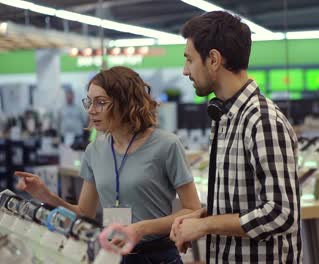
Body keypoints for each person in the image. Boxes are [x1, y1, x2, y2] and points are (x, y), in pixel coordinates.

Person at [16, 66, 201, 264]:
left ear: (126, 103)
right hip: (111, 255)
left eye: (101, 103)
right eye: (89, 101)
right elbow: (84, 213)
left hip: (157, 256)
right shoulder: (94, 150)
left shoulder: (167, 145)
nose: (91, 110)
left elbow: (192, 210)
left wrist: (141, 229)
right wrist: (46, 196)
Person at [170, 11, 302, 263]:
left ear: (213, 60)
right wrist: (202, 219)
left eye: (189, 59)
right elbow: (242, 204)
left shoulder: (262, 121)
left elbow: (281, 213)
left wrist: (206, 226)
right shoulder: (226, 117)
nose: (185, 71)